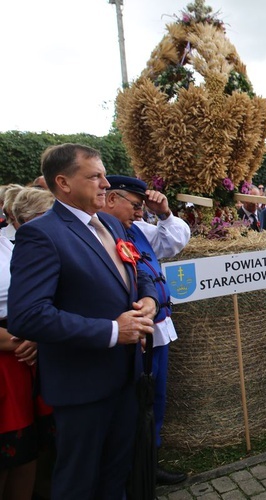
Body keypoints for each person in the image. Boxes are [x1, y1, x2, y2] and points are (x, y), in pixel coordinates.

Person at [8, 143, 159, 499]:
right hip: (82, 388)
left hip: (126, 377)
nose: (106, 183)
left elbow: (139, 271)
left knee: (116, 474)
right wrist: (112, 331)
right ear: (63, 182)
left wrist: (149, 300)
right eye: (95, 176)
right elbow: (27, 315)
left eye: (104, 174)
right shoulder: (41, 234)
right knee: (79, 482)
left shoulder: (110, 223)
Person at [102, 175, 191, 485]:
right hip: (129, 332)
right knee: (132, 401)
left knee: (154, 397)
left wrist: (165, 213)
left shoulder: (137, 230)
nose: (140, 212)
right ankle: (127, 467)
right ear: (111, 199)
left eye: (142, 206)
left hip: (158, 328)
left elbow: (175, 241)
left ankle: (148, 464)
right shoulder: (98, 235)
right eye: (135, 205)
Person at [0, 187, 55, 500]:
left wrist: (38, 337)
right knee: (9, 452)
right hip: (10, 354)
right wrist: (22, 339)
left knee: (34, 448)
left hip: (37, 351)